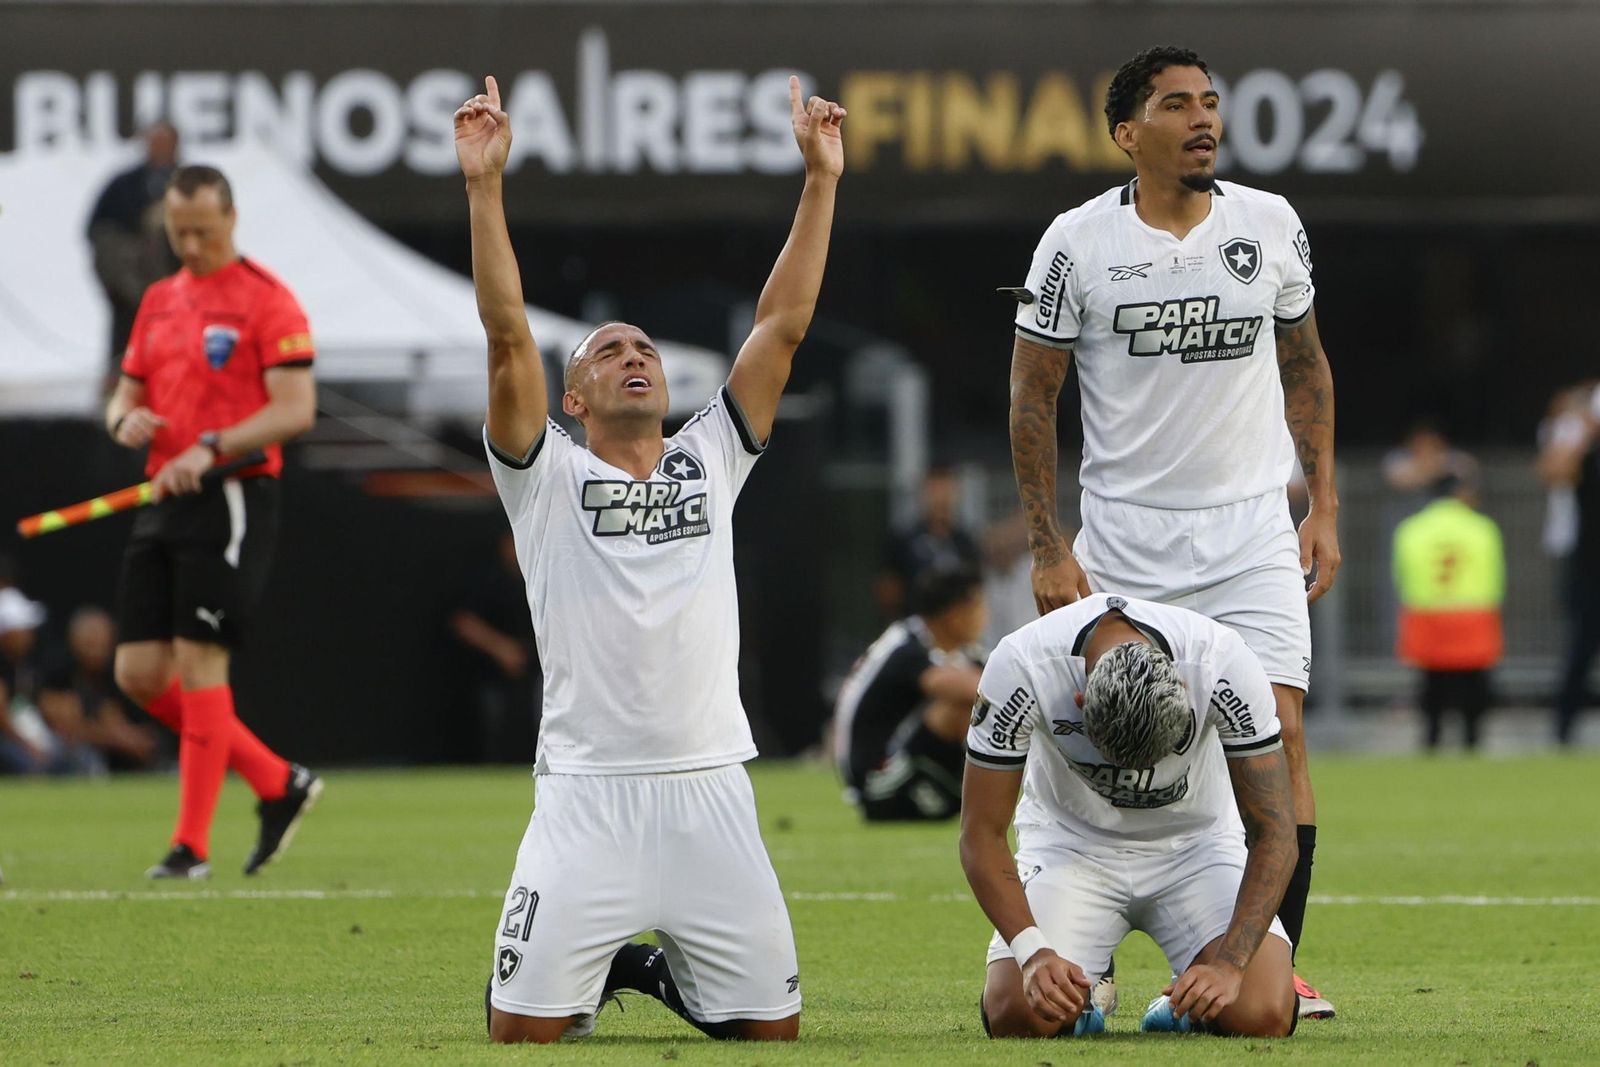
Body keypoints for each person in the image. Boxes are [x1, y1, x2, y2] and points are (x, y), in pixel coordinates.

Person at [456, 73, 843, 1044]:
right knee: (520, 1036)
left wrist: (820, 180)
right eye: (607, 351)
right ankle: (582, 969)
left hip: (711, 783)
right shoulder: (542, 474)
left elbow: (781, 327)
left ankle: (661, 975)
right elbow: (507, 338)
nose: (635, 354)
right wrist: (484, 186)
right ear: (574, 398)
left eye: (647, 349)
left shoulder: (709, 456)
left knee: (772, 1032)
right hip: (587, 793)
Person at [1005, 45, 1338, 1018]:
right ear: (1126, 133)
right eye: (1176, 105)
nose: (1203, 119)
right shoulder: (1074, 242)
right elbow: (1034, 394)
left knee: (1277, 734)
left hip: (1249, 533)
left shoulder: (1268, 223)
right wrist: (1045, 542)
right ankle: (1088, 949)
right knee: (1102, 741)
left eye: (1210, 102)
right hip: (1126, 541)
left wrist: (1320, 505)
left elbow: (1306, 367)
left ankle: (1275, 959)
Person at [104, 164, 322, 879]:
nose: (189, 243)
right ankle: (275, 779)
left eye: (202, 229)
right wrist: (123, 419)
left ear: (230, 219)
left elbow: (294, 410)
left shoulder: (268, 302)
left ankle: (189, 848)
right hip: (161, 493)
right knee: (137, 672)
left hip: (230, 492)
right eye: (178, 231)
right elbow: (123, 395)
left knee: (201, 660)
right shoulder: (160, 300)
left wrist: (213, 445)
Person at [962, 593, 1298, 1039]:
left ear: (1183, 692)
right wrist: (1034, 954)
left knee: (1263, 1013)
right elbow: (980, 833)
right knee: (1017, 1014)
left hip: (1196, 847)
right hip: (1071, 848)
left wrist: (1230, 966)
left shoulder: (1223, 662)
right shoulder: (1022, 664)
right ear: (1079, 702)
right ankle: (1085, 995)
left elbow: (1274, 831)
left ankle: (1181, 1004)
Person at [834, 566, 987, 822]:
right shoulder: (905, 646)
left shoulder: (959, 651)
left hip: (914, 772)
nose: (985, 616)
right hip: (878, 783)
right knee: (964, 705)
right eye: (979, 607)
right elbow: (969, 688)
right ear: (956, 615)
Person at [1392, 475, 1505, 750]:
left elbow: (1402, 573)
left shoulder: (1411, 528)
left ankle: (1432, 738)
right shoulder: (1483, 527)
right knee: (1474, 681)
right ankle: (1472, 739)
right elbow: (1495, 573)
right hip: (1473, 611)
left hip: (1427, 612)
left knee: (1432, 682)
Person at [87, 123, 182, 386]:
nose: (157, 148)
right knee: (128, 330)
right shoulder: (124, 184)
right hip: (131, 283)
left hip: (177, 280)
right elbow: (98, 228)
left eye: (163, 142)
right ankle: (119, 380)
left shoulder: (190, 182)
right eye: (153, 142)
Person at [449, 531, 541, 762]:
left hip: (538, 674)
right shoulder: (490, 579)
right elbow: (464, 622)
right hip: (493, 676)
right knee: (497, 732)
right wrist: (501, 648)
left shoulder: (541, 578)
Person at [37, 606, 161, 771]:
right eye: (90, 643)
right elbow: (67, 728)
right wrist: (120, 740)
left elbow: (114, 716)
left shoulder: (113, 672)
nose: (96, 651)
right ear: (75, 640)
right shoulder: (58, 670)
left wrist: (132, 737)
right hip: (56, 746)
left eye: (101, 642)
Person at [1545, 385, 1600, 745]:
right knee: (1581, 647)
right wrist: (1582, 429)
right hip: (1591, 566)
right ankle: (1563, 729)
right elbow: (1553, 472)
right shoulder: (1587, 455)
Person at [876, 465, 982, 620]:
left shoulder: (964, 541)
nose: (940, 498)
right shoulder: (904, 539)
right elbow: (888, 589)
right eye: (934, 491)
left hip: (956, 627)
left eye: (946, 491)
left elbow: (975, 588)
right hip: (915, 623)